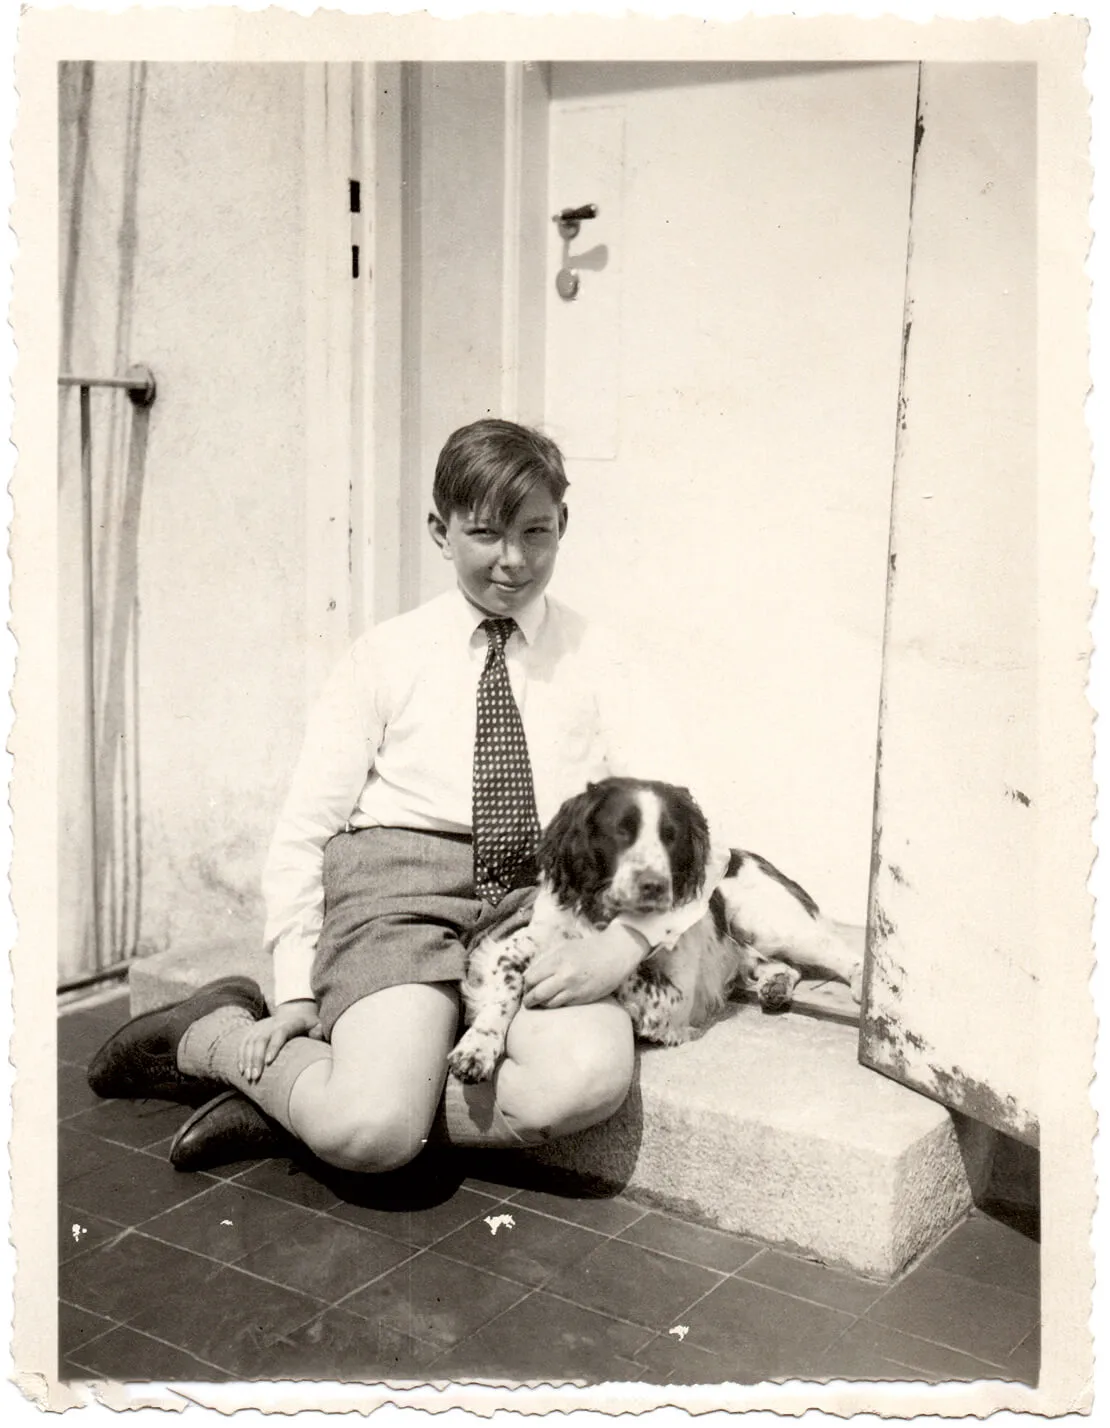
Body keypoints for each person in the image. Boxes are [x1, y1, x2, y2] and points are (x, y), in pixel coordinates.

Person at [88, 419, 721, 1173]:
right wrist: (293, 989)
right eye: (485, 533)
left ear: (563, 527)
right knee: (372, 1133)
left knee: (582, 1083)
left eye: (536, 532)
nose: (512, 560)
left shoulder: (600, 657)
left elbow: (704, 832)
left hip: (540, 902)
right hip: (401, 894)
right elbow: (306, 830)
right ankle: (218, 1041)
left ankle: (300, 1102)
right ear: (439, 531)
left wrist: (625, 947)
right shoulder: (385, 656)